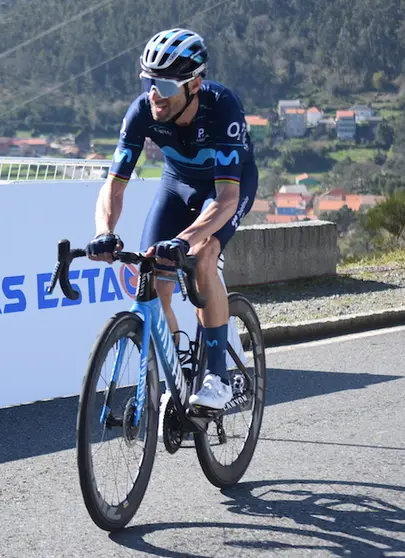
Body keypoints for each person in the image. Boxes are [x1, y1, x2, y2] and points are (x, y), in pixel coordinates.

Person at [87, 28, 258, 410]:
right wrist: (104, 231)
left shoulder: (222, 108)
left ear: (193, 84)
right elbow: (113, 187)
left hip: (227, 188)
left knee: (203, 256)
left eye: (163, 85)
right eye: (148, 81)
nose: (153, 94)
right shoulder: (143, 111)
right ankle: (179, 365)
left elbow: (228, 198)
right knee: (151, 273)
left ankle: (217, 376)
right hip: (177, 184)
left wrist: (186, 240)